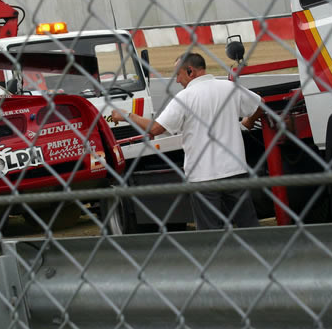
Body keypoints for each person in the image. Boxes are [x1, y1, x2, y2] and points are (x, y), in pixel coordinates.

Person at [111, 52, 263, 230]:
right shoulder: (229, 87)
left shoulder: (184, 98)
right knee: (248, 225)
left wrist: (127, 115)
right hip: (234, 170)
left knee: (210, 231)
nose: (177, 80)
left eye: (178, 74)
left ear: (190, 71)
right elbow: (259, 104)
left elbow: (156, 129)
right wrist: (248, 122)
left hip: (203, 176)